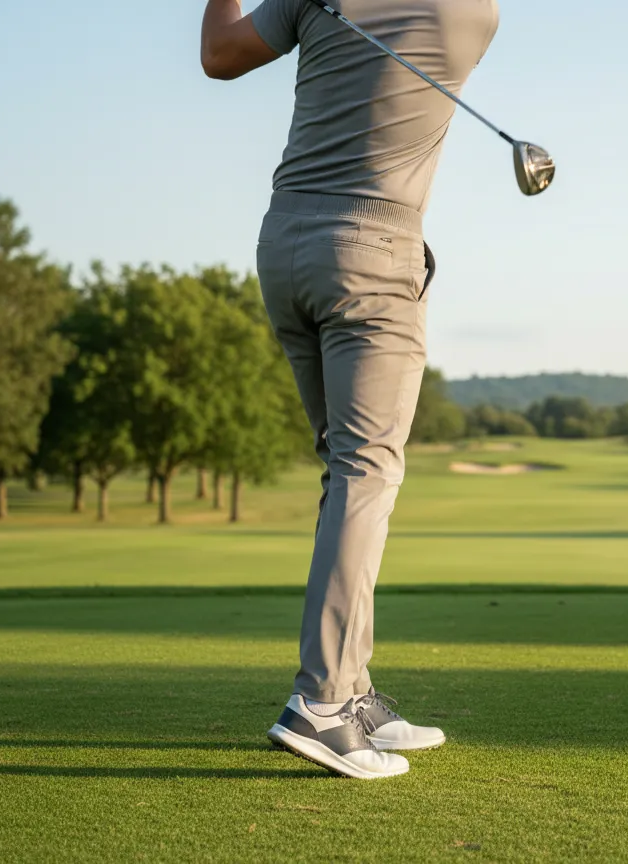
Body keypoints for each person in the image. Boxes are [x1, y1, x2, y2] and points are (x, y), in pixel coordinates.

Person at [200, 0, 499, 779]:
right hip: (373, 251)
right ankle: (324, 701)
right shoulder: (471, 12)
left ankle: (355, 689)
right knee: (368, 470)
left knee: (344, 468)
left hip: (286, 247)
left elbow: (219, 54)